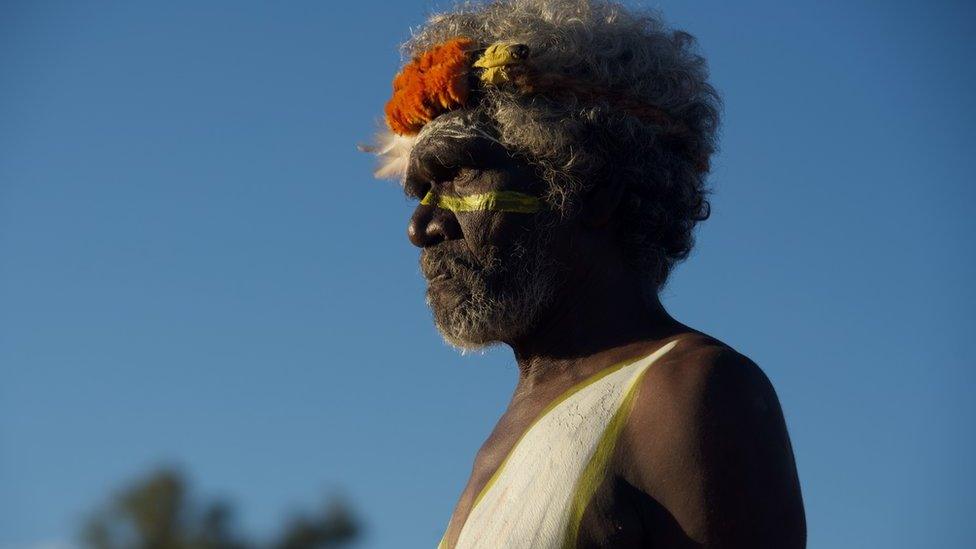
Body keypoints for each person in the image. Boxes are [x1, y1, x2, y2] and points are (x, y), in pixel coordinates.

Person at [365, 1, 805, 547]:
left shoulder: (687, 393)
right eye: (420, 191)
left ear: (588, 188)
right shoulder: (500, 439)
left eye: (460, 176)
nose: (422, 226)